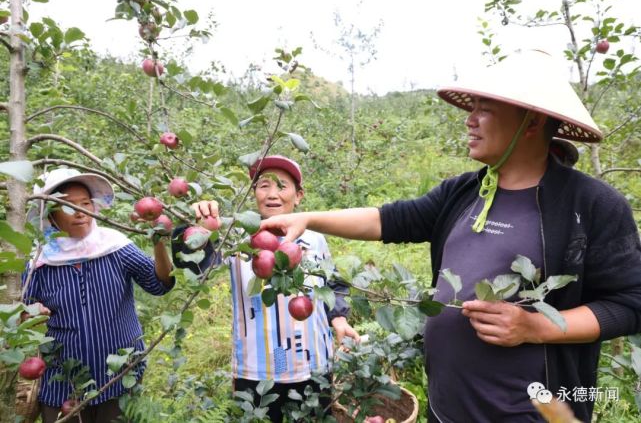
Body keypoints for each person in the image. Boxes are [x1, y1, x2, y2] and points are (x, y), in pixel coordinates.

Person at [258, 51, 641, 422]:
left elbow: (630, 304)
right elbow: (389, 220)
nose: (470, 120)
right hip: (448, 407)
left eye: (484, 109)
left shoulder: (589, 205)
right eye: (471, 108)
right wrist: (305, 218)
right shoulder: (464, 192)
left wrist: (535, 327)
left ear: (532, 122)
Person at [185, 155, 359, 422]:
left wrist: (339, 318)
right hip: (257, 368)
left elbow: (331, 283)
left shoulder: (315, 238)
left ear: (298, 196)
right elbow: (197, 267)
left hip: (313, 365)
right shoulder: (235, 237)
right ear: (254, 192)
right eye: (264, 185)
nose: (272, 194)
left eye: (282, 186)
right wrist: (200, 230)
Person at [22, 168, 174, 423]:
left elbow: (160, 283)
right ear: (51, 214)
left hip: (119, 376)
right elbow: (22, 316)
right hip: (62, 384)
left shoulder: (115, 246)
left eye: (86, 203)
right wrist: (33, 312)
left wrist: (158, 241)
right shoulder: (40, 261)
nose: (81, 212)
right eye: (68, 206)